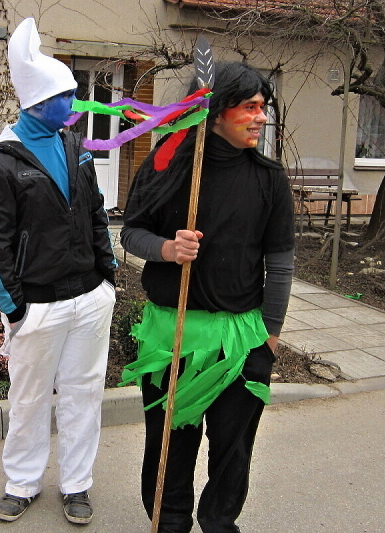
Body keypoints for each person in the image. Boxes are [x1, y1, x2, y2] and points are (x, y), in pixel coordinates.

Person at [120, 62, 295, 533]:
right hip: (171, 336)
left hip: (241, 339)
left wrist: (270, 337)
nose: (261, 118)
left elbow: (280, 262)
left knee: (233, 451)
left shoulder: (268, 178)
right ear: (218, 112)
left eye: (263, 108)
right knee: (169, 446)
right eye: (250, 108)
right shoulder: (167, 165)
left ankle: (219, 523)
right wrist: (167, 249)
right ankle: (169, 522)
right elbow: (131, 233)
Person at [0, 17, 117, 526]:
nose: (74, 102)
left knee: (83, 395)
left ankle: (77, 484)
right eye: (66, 95)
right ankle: (22, 483)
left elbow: (96, 213)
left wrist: (107, 276)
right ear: (37, 101)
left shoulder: (75, 146)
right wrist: (13, 307)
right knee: (29, 399)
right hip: (37, 305)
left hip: (89, 298)